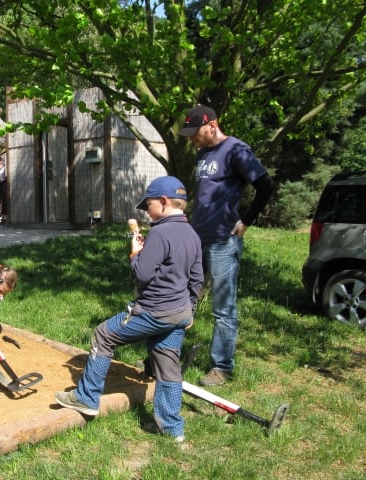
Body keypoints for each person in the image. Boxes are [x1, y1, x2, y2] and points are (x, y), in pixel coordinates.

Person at [55, 176, 203, 442]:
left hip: (154, 311)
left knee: (103, 334)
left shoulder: (160, 231)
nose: (146, 211)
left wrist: (135, 254)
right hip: (179, 312)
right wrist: (190, 310)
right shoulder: (191, 232)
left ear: (164, 202)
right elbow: (197, 276)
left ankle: (87, 397)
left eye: (148, 205)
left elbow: (144, 275)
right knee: (167, 365)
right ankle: (171, 429)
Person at [179, 105, 275, 386]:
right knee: (184, 299)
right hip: (198, 238)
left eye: (194, 133)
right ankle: (166, 354)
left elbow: (265, 185)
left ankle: (221, 367)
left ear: (212, 125)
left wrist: (246, 220)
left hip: (223, 240)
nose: (191, 139)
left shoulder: (236, 150)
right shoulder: (202, 152)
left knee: (223, 307)